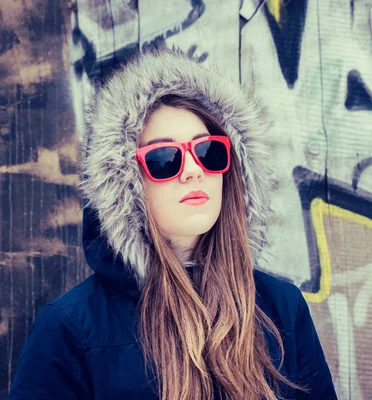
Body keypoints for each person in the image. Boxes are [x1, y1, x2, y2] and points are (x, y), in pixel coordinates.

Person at [8, 47, 337, 400]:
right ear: (125, 184)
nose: (194, 170)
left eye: (209, 151)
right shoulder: (70, 328)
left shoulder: (281, 308)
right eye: (165, 159)